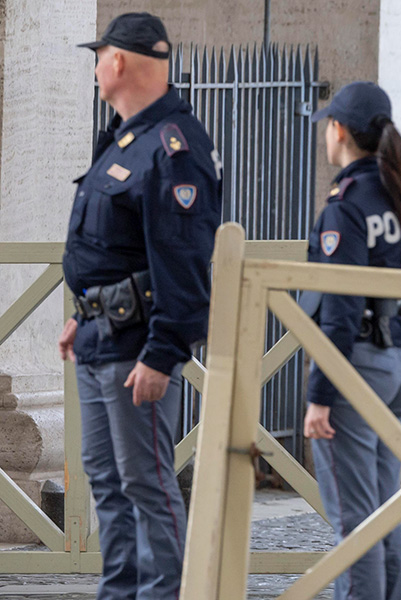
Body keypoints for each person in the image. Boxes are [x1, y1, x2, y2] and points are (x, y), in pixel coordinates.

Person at [58, 12, 222, 599]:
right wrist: (83, 315)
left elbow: (181, 261)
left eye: (98, 57)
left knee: (146, 484)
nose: (97, 68)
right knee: (106, 480)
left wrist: (163, 352)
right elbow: (113, 246)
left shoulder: (174, 146)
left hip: (137, 349)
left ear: (119, 61)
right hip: (103, 339)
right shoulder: (126, 135)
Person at [302, 82, 401, 600]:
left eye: (327, 127)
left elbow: (338, 310)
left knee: (355, 521)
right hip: (399, 361)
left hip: (356, 365)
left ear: (338, 131)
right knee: (386, 512)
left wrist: (318, 395)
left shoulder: (347, 203)